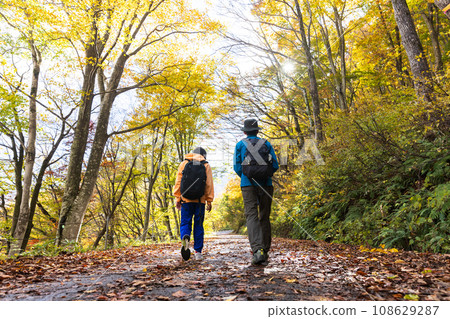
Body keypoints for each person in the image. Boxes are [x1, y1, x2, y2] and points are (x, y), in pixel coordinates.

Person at [233, 119, 279, 265]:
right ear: (257, 131)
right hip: (266, 184)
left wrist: (248, 176)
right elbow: (275, 165)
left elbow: (237, 167)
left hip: (247, 185)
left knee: (251, 216)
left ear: (245, 131)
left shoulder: (240, 144)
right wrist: (263, 175)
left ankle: (257, 250)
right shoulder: (266, 143)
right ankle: (265, 251)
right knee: (264, 216)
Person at [173, 147, 214, 261]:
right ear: (204, 155)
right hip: (200, 201)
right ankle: (198, 252)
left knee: (185, 223)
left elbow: (178, 182)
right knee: (198, 225)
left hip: (185, 200)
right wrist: (209, 200)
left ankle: (185, 238)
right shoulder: (206, 165)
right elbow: (208, 184)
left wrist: (178, 198)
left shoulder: (184, 163)